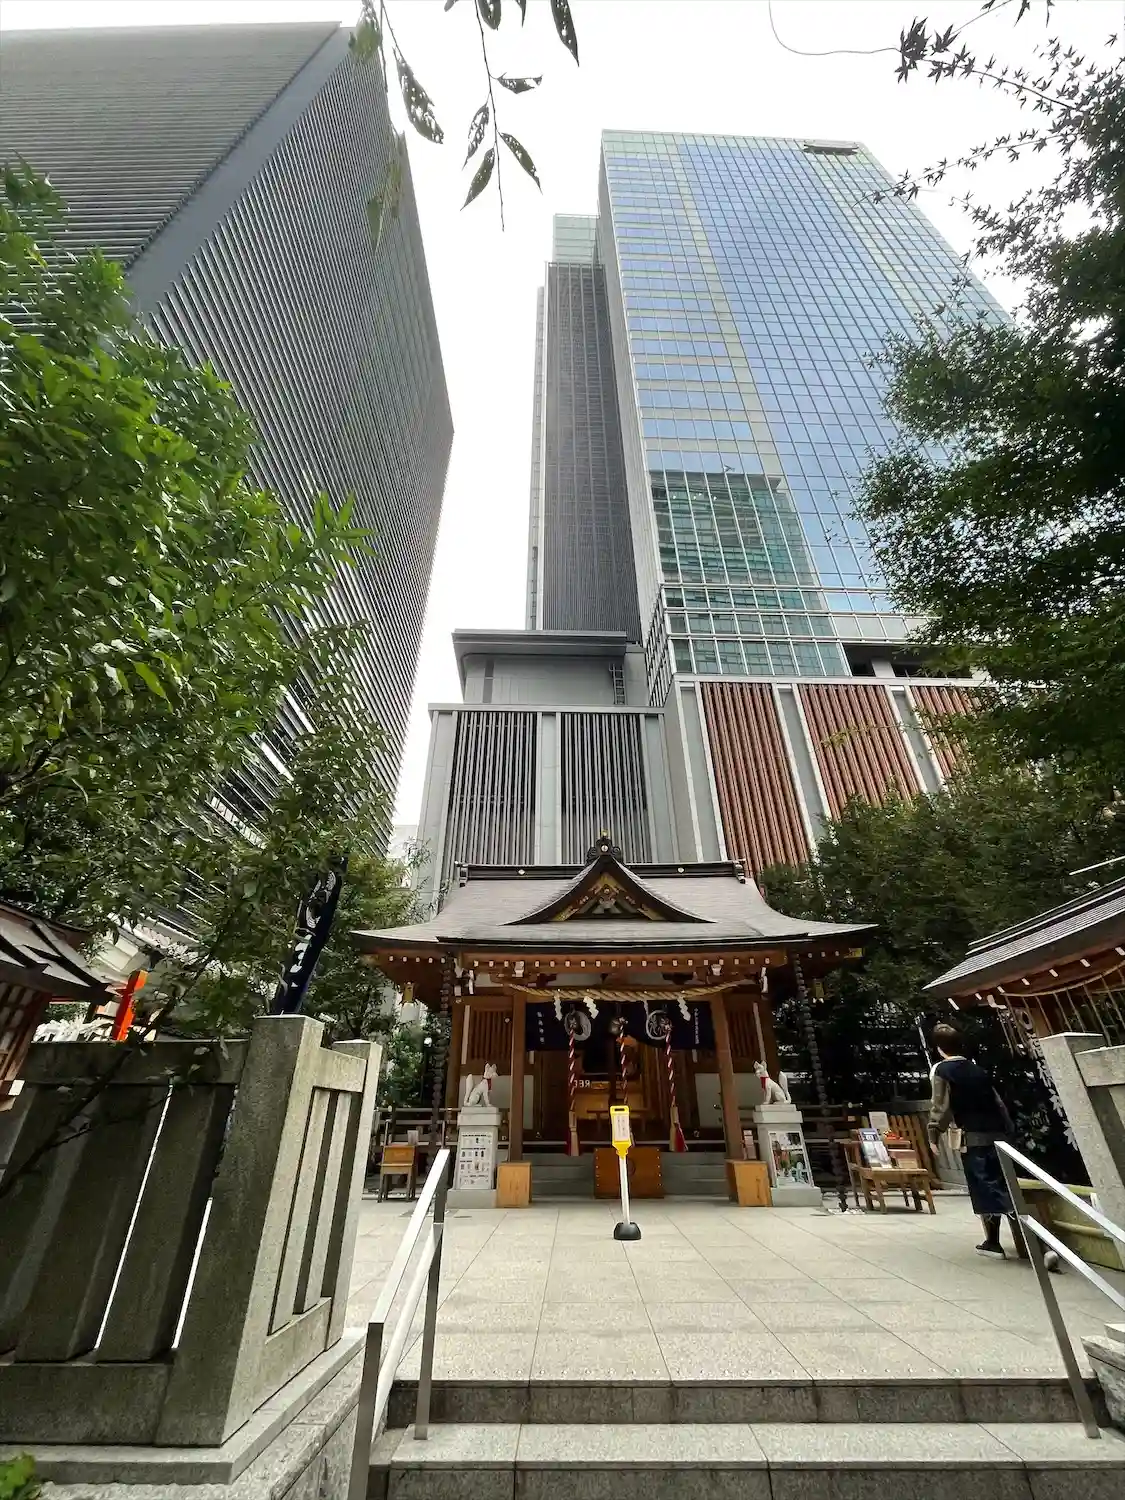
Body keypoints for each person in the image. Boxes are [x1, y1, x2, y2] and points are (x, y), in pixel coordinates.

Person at [927, 1022, 1023, 1259]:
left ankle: (1028, 1236)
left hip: (973, 1136)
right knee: (999, 1184)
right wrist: (1009, 1131)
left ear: (938, 1048)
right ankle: (995, 1241)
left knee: (986, 1188)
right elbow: (998, 1103)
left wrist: (933, 1133)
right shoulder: (978, 1069)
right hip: (998, 1135)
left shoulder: (942, 1071)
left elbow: (941, 1106)